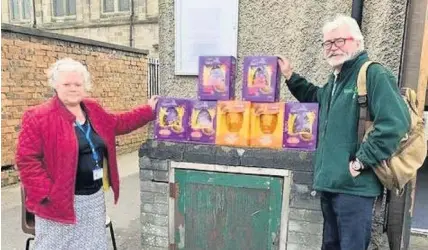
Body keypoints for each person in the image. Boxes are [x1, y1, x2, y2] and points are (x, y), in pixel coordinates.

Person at [278, 15, 410, 250]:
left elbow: (395, 123)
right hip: (331, 186)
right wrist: (290, 76)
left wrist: (361, 161)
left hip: (355, 188)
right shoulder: (336, 82)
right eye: (327, 43)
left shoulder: (373, 74)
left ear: (357, 41)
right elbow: (315, 98)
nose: (332, 47)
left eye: (339, 40)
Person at [15, 58, 159, 250]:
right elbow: (26, 160)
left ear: (85, 86)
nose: (73, 88)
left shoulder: (92, 109)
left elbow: (119, 123)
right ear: (56, 85)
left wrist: (149, 111)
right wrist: (47, 193)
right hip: (58, 202)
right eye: (67, 84)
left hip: (93, 198)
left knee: (93, 245)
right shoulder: (38, 116)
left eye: (78, 84)